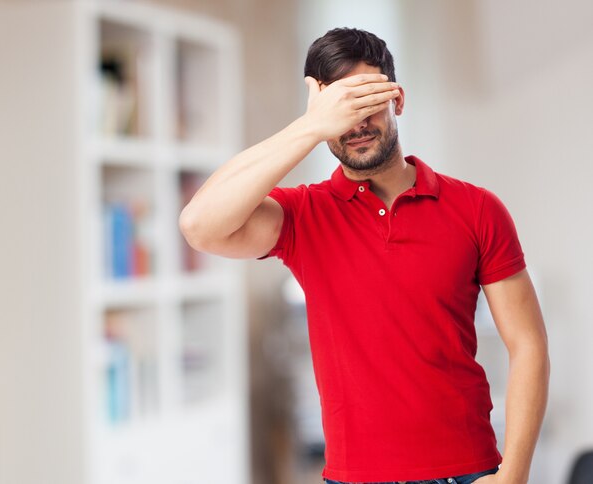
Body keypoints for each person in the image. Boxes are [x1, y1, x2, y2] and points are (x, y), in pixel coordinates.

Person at [179, 27, 550, 484]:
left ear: (397, 99)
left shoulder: (477, 209)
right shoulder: (303, 215)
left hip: (468, 472)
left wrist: (513, 476)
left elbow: (528, 344)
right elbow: (199, 226)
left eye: (366, 100)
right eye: (341, 107)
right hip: (354, 477)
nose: (356, 124)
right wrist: (311, 126)